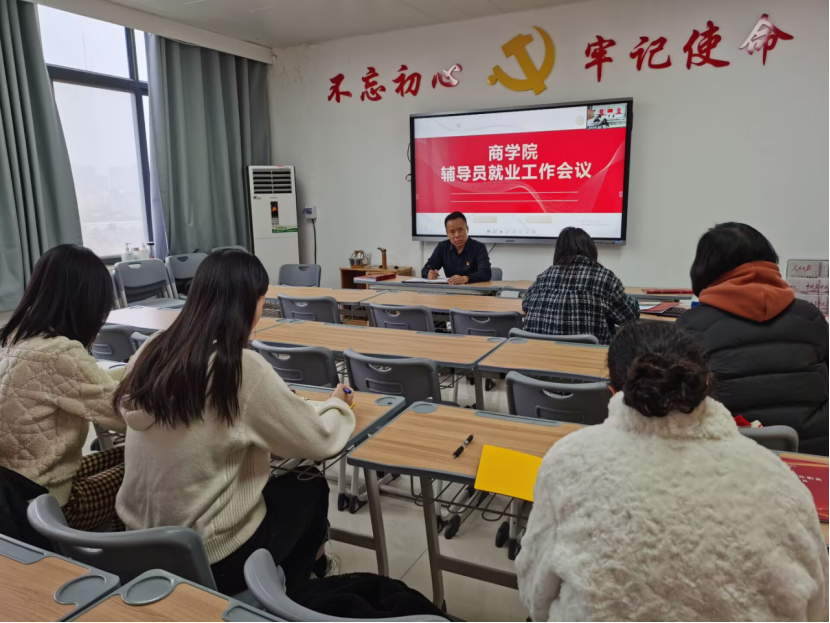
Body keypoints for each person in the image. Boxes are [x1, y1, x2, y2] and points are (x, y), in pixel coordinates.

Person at [517, 322, 829, 622]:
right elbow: (818, 606)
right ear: (706, 384)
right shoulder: (781, 481)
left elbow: (536, 597)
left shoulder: (567, 461)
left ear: (612, 391)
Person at [114, 249, 356, 596]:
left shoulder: (151, 350)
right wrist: (337, 405)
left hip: (136, 546)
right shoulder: (239, 368)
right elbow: (318, 441)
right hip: (210, 558)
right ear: (250, 304)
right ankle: (299, 590)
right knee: (310, 486)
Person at [0, 244, 127, 531]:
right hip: (48, 504)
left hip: (14, 487)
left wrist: (132, 373)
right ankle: (126, 547)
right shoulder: (58, 353)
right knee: (146, 464)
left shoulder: (13, 338)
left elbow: (89, 384)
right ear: (87, 303)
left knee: (124, 455)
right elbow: (125, 417)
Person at [677, 223, 829, 456]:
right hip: (812, 455)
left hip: (726, 454)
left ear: (703, 269)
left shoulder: (689, 325)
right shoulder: (811, 316)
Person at [522, 227, 639, 345]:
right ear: (591, 249)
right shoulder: (604, 278)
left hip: (540, 354)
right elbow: (630, 316)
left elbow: (525, 305)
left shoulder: (543, 277)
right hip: (591, 355)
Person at [422, 212, 492, 284]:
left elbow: (485, 273)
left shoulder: (479, 247)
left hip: (474, 289)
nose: (457, 235)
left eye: (460, 230)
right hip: (451, 289)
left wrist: (465, 278)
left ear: (467, 229)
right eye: (452, 232)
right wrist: (428, 273)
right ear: (447, 233)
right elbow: (426, 268)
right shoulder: (442, 247)